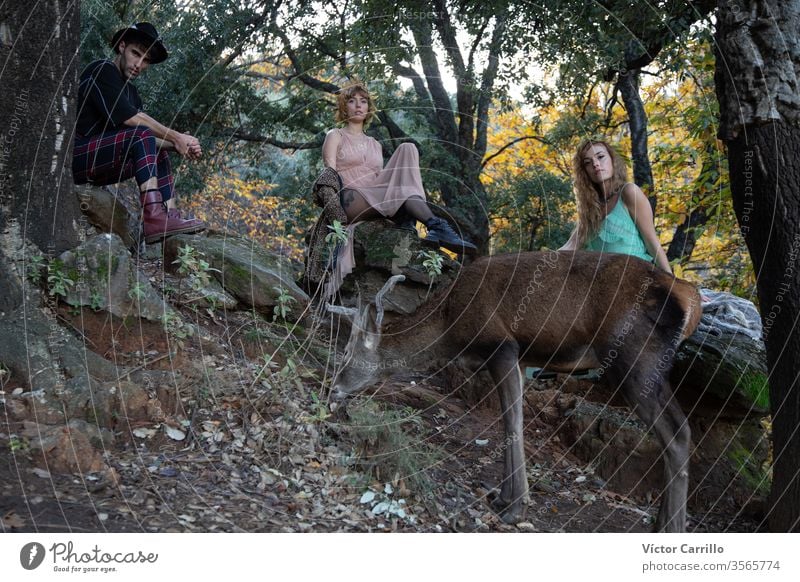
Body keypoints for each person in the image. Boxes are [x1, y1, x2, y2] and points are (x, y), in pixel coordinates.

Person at [312, 82, 476, 294]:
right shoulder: (335, 135)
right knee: (402, 191)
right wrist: (331, 208)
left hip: (376, 194)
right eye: (352, 101)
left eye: (363, 101)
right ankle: (437, 226)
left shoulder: (375, 144)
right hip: (350, 197)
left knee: (408, 148)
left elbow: (380, 178)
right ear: (344, 107)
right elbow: (329, 172)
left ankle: (435, 227)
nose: (358, 106)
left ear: (369, 108)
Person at [73, 22, 205, 244]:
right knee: (141, 133)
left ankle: (169, 215)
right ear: (122, 46)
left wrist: (179, 145)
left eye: (146, 61)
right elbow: (133, 121)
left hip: (99, 164)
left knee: (154, 147)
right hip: (76, 156)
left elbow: (142, 141)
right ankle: (153, 216)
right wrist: (176, 136)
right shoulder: (101, 70)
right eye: (136, 54)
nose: (139, 64)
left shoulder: (131, 93)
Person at [559, 139, 672, 273]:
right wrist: (537, 262)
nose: (595, 164)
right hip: (603, 286)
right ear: (585, 172)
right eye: (588, 163)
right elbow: (570, 246)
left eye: (600, 157)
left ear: (613, 160)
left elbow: (652, 242)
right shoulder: (591, 209)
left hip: (637, 278)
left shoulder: (629, 192)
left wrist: (671, 283)